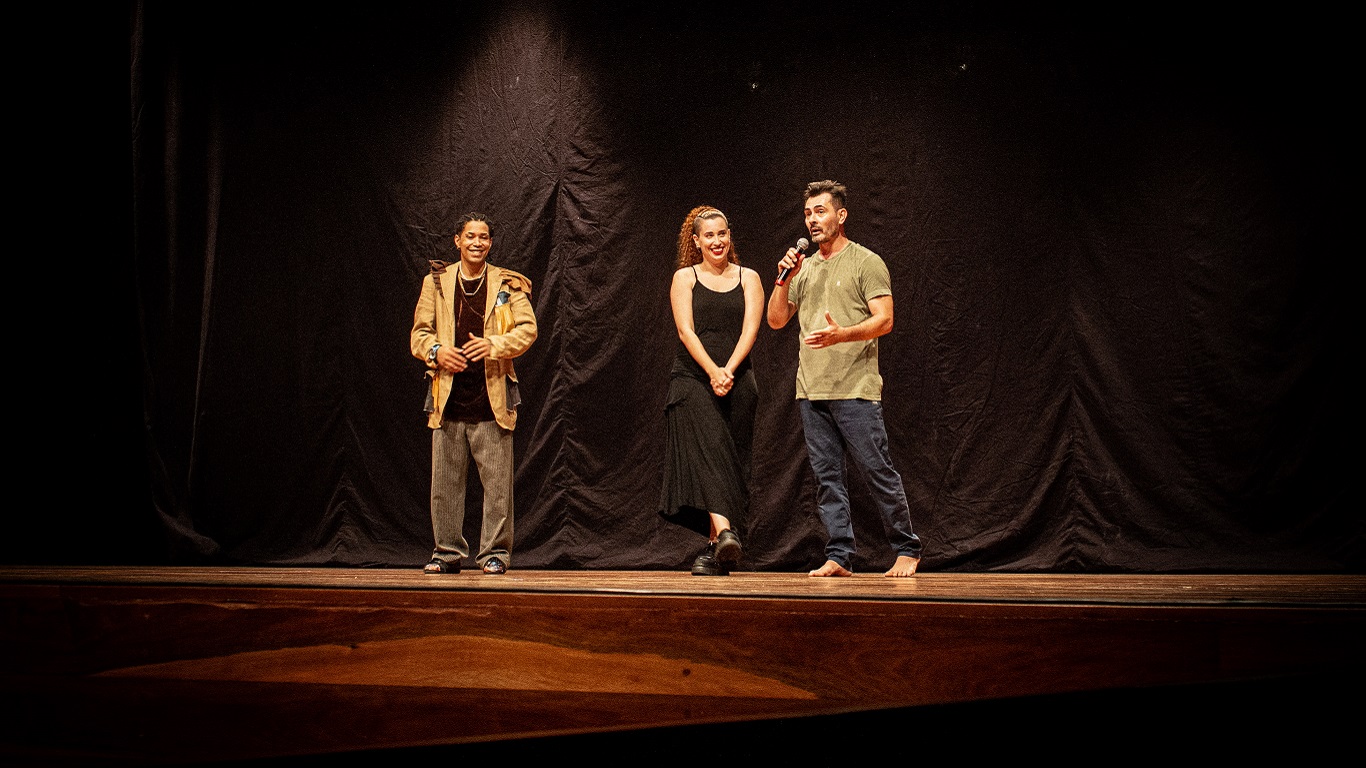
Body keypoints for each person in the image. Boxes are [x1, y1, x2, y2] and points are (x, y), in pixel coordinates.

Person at [767, 180, 924, 577]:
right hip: (811, 390)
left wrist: (843, 334)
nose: (813, 220)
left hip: (855, 389)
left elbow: (885, 320)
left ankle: (907, 548)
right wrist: (784, 277)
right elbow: (776, 319)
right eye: (807, 213)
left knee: (876, 470)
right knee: (827, 479)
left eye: (821, 211)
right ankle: (839, 554)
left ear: (841, 215)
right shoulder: (803, 267)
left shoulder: (865, 262)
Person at [411, 212, 537, 575]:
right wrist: (437, 352)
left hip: (491, 398)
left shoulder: (507, 283)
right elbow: (420, 333)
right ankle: (446, 553)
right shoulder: (436, 283)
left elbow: (528, 330)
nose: (477, 242)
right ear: (457, 240)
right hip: (448, 398)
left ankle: (495, 553)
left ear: (491, 242)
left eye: (483, 237)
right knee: (445, 487)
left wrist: (494, 344)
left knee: (497, 488)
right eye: (470, 236)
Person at [660, 206, 764, 576]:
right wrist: (712, 372)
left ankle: (714, 548)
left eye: (722, 234)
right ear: (696, 241)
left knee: (731, 462)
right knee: (709, 452)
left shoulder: (748, 277)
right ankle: (726, 533)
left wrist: (729, 371)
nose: (717, 241)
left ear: (729, 236)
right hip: (692, 378)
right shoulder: (684, 278)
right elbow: (686, 331)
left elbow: (751, 331)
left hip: (738, 377)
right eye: (709, 236)